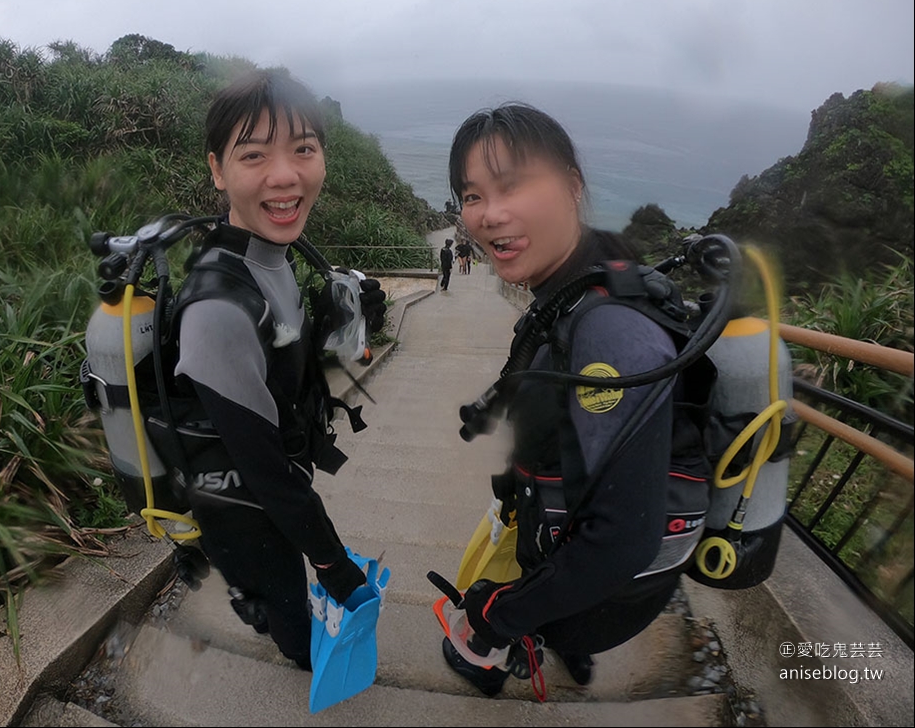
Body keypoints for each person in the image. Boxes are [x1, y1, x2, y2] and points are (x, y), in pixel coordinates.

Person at [440, 102, 696, 695]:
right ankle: (567, 650)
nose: (487, 215)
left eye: (511, 186)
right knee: (561, 629)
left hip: (592, 587)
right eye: (471, 196)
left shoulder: (607, 332)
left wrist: (495, 615)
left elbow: (621, 540)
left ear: (572, 187)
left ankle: (529, 650)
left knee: (506, 629)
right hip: (558, 534)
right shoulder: (584, 278)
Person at [172, 70, 387, 671]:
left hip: (275, 489)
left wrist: (340, 326)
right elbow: (263, 470)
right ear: (217, 170)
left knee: (286, 595)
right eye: (254, 155)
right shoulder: (217, 308)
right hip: (240, 507)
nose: (285, 175)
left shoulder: (272, 257)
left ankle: (262, 599)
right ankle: (263, 608)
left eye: (303, 149)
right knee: (298, 640)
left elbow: (283, 372)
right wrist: (331, 561)